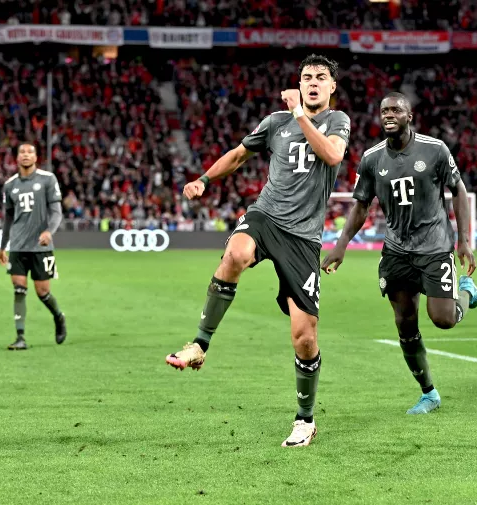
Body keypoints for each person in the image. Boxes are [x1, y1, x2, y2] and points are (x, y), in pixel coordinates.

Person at [166, 54, 351, 448]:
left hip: (303, 239)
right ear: (298, 83)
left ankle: (305, 420)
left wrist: (301, 115)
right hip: (266, 216)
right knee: (235, 253)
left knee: (304, 337)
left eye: (321, 77)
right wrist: (203, 179)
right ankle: (200, 344)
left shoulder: (337, 122)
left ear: (332, 87)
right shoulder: (275, 122)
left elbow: (333, 156)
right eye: (306, 77)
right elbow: (237, 155)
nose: (313, 82)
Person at [321, 92, 477, 415]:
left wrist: (463, 240)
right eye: (384, 111)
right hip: (396, 250)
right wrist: (340, 244)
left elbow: (458, 191)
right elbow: (361, 205)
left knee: (444, 320)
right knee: (405, 325)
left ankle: (464, 291)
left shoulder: (435, 150)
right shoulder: (371, 159)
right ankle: (429, 393)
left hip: (435, 247)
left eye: (396, 110)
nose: (389, 115)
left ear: (409, 116)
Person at [0, 143, 67, 350]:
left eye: (30, 152)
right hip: (18, 246)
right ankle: (20, 337)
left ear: (36, 157)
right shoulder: (10, 185)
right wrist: (3, 246)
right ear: (17, 158)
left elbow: (56, 212)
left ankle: (58, 316)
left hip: (41, 246)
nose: (26, 155)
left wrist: (49, 232)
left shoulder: (48, 179)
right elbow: (8, 217)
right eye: (22, 152)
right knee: (19, 289)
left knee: (43, 292)